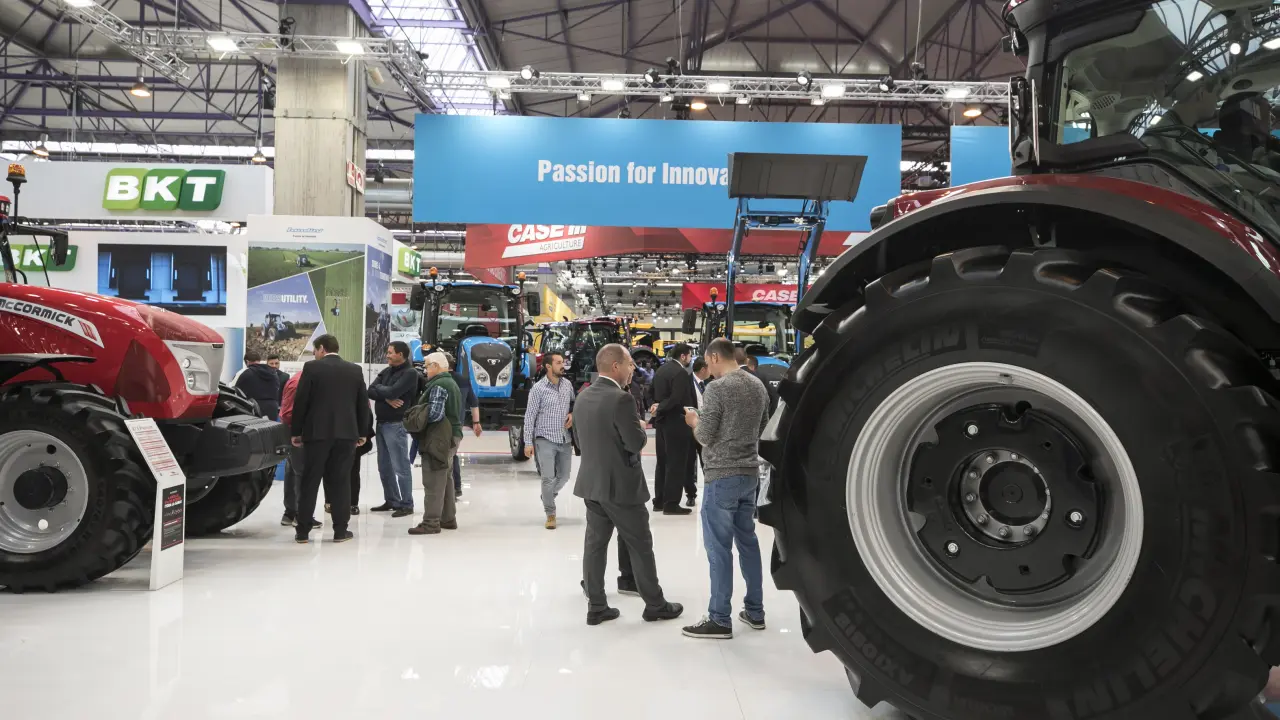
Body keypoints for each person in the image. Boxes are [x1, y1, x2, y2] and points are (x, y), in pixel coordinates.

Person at [573, 343, 684, 627]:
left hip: (592, 484)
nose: (633, 369)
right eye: (629, 364)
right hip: (621, 487)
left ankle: (597, 606)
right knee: (640, 544)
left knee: (595, 546)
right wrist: (641, 428)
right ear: (615, 367)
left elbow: (579, 441)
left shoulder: (583, 396)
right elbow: (634, 443)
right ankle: (655, 604)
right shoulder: (621, 400)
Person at [681, 337, 771, 639]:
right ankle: (755, 611)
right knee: (748, 542)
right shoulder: (757, 385)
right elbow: (763, 429)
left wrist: (694, 421)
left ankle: (719, 618)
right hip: (749, 474)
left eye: (708, 362)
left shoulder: (717, 389)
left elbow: (705, 436)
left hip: (721, 476)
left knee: (719, 548)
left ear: (715, 358)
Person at [290, 334, 372, 544]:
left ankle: (302, 532)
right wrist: (362, 432)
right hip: (346, 434)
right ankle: (340, 531)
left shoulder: (312, 368)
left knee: (310, 481)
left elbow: (301, 401)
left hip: (316, 434)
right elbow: (362, 403)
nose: (314, 354)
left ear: (322, 348)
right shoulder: (354, 370)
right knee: (341, 481)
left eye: (315, 350)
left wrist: (296, 431)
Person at [409, 352, 464, 535]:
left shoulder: (439, 385)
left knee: (433, 479)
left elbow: (435, 414)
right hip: (450, 436)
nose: (425, 370)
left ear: (436, 366)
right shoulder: (449, 382)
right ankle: (447, 518)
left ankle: (431, 522)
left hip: (438, 438)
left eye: (427, 366)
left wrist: (417, 416)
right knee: (445, 478)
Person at [523, 350, 575, 529]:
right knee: (548, 478)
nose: (563, 366)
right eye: (558, 363)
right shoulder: (538, 389)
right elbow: (530, 416)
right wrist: (527, 442)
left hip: (565, 438)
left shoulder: (567, 385)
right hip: (544, 438)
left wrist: (572, 414)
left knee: (564, 476)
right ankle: (550, 514)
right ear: (548, 366)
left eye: (562, 362)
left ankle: (547, 496)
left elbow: (574, 404)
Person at [368, 341, 419, 518]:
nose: (387, 355)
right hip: (381, 423)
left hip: (396, 424)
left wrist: (383, 392)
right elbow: (370, 390)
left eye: (390, 352)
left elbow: (391, 391)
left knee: (400, 466)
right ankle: (392, 500)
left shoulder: (410, 373)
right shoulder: (387, 371)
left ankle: (406, 504)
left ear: (400, 355)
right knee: (384, 466)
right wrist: (386, 397)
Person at [648, 343, 697, 515]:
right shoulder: (681, 373)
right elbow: (677, 398)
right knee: (676, 463)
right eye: (689, 355)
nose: (690, 359)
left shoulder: (661, 370)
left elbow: (650, 392)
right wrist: (661, 407)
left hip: (661, 422)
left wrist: (655, 407)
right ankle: (671, 504)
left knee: (662, 462)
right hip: (677, 422)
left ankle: (659, 501)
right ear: (683, 356)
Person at [277, 367, 319, 530]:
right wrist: (297, 432)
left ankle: (290, 513)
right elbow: (289, 413)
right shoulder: (299, 383)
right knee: (301, 472)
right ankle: (301, 515)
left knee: (292, 470)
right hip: (297, 432)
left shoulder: (297, 379)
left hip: (292, 429)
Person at [446, 352, 483, 497]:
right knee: (453, 454)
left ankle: (452, 488)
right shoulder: (463, 380)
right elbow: (473, 402)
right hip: (458, 423)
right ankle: (456, 487)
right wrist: (476, 422)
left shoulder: (441, 379)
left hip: (443, 424)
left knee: (447, 456)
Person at [234, 350, 281, 420]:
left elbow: (236, 391)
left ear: (247, 362)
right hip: (272, 409)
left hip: (254, 409)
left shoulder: (245, 373)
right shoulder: (273, 373)